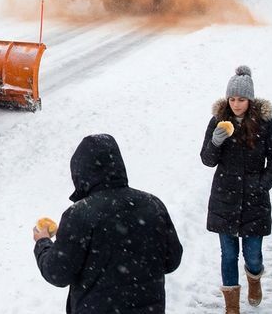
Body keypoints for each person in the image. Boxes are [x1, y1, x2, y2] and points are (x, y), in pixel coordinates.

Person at [33, 134, 183, 314]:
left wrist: (42, 242)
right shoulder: (153, 204)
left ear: (80, 171)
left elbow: (57, 273)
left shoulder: (80, 215)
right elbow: (172, 261)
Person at [201, 66, 272, 313]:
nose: (236, 104)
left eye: (242, 99)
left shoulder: (265, 123)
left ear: (250, 100)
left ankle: (254, 279)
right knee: (228, 255)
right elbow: (207, 159)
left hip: (254, 200)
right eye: (233, 99)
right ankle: (232, 307)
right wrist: (216, 141)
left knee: (253, 256)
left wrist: (263, 184)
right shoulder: (218, 121)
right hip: (224, 198)